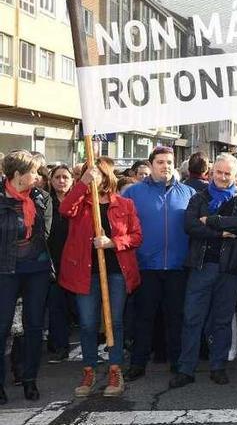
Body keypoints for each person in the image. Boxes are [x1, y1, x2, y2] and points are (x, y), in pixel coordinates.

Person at [60, 157, 142, 398]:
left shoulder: (125, 204)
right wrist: (83, 184)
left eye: (97, 174)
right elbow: (64, 209)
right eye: (88, 173)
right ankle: (89, 369)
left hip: (116, 271)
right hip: (85, 272)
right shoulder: (80, 203)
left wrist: (112, 242)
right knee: (87, 323)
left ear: (108, 176)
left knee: (114, 322)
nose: (94, 177)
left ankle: (115, 370)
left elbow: (137, 236)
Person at [170, 154, 237, 389]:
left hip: (229, 269)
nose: (223, 177)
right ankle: (186, 369)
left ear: (235, 176)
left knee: (223, 320)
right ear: (211, 172)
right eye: (219, 172)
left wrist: (211, 220)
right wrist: (218, 232)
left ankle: (218, 367)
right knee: (192, 318)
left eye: (228, 173)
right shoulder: (199, 197)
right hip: (201, 267)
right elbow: (190, 226)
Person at [122, 147, 197, 381]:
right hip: (146, 266)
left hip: (178, 267)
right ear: (151, 164)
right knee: (144, 317)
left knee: (176, 317)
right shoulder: (133, 193)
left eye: (169, 162)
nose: (165, 166)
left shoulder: (189, 193)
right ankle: (138, 363)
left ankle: (177, 362)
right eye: (160, 162)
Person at [0, 151, 53, 404]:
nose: (38, 176)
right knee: (2, 327)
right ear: (18, 175)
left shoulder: (41, 198)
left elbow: (48, 232)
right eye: (33, 171)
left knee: (34, 327)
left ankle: (29, 380)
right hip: (5, 271)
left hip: (37, 270)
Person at [46, 165, 74, 364]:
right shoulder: (46, 202)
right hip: (53, 261)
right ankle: (60, 344)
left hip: (76, 261)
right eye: (57, 177)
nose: (61, 181)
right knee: (57, 305)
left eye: (65, 177)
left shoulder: (80, 202)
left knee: (77, 305)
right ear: (51, 180)